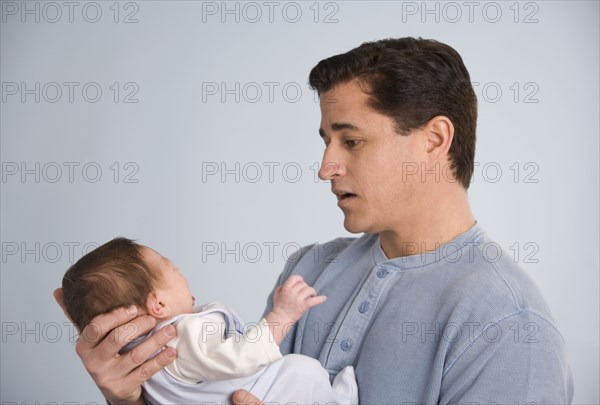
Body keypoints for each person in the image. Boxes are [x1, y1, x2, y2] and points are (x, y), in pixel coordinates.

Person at [54, 37, 574, 404]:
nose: (326, 167)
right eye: (326, 142)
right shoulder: (311, 269)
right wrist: (128, 396)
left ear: (434, 141)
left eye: (351, 140)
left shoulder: (509, 328)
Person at [60, 237, 357, 404]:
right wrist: (282, 315)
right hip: (257, 395)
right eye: (170, 266)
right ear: (159, 303)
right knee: (301, 369)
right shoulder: (182, 334)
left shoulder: (138, 360)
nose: (179, 269)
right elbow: (238, 359)